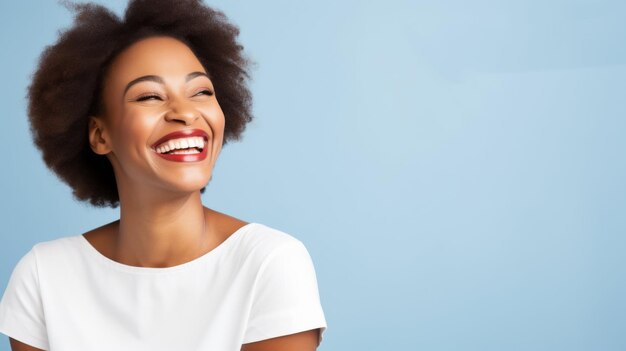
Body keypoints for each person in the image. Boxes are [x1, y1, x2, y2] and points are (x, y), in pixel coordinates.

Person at [0, 1, 327, 350]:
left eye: (201, 92)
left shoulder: (269, 264)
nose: (186, 113)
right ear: (99, 135)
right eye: (150, 96)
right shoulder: (44, 277)